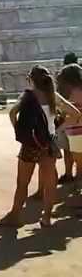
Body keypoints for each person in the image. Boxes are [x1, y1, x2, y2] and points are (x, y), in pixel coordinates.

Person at [0, 66, 80, 228]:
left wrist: (20, 131)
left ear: (31, 80)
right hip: (48, 143)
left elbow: (12, 113)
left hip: (30, 144)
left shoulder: (28, 96)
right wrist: (56, 128)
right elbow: (76, 114)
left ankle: (15, 215)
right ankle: (46, 218)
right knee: (50, 183)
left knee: (22, 183)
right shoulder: (53, 95)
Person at [58, 63, 82, 195]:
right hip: (75, 131)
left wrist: (60, 128)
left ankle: (78, 190)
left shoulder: (73, 93)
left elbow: (74, 114)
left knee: (79, 163)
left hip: (77, 131)